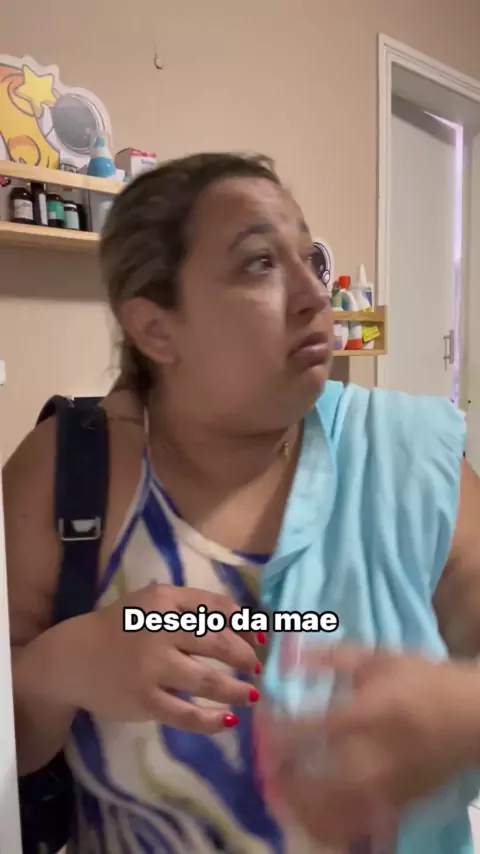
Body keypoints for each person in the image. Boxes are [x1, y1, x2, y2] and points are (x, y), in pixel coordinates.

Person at [5, 151, 480, 854]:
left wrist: (463, 715)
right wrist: (62, 665)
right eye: (260, 263)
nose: (314, 295)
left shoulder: (409, 458)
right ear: (156, 328)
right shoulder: (67, 475)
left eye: (310, 258)